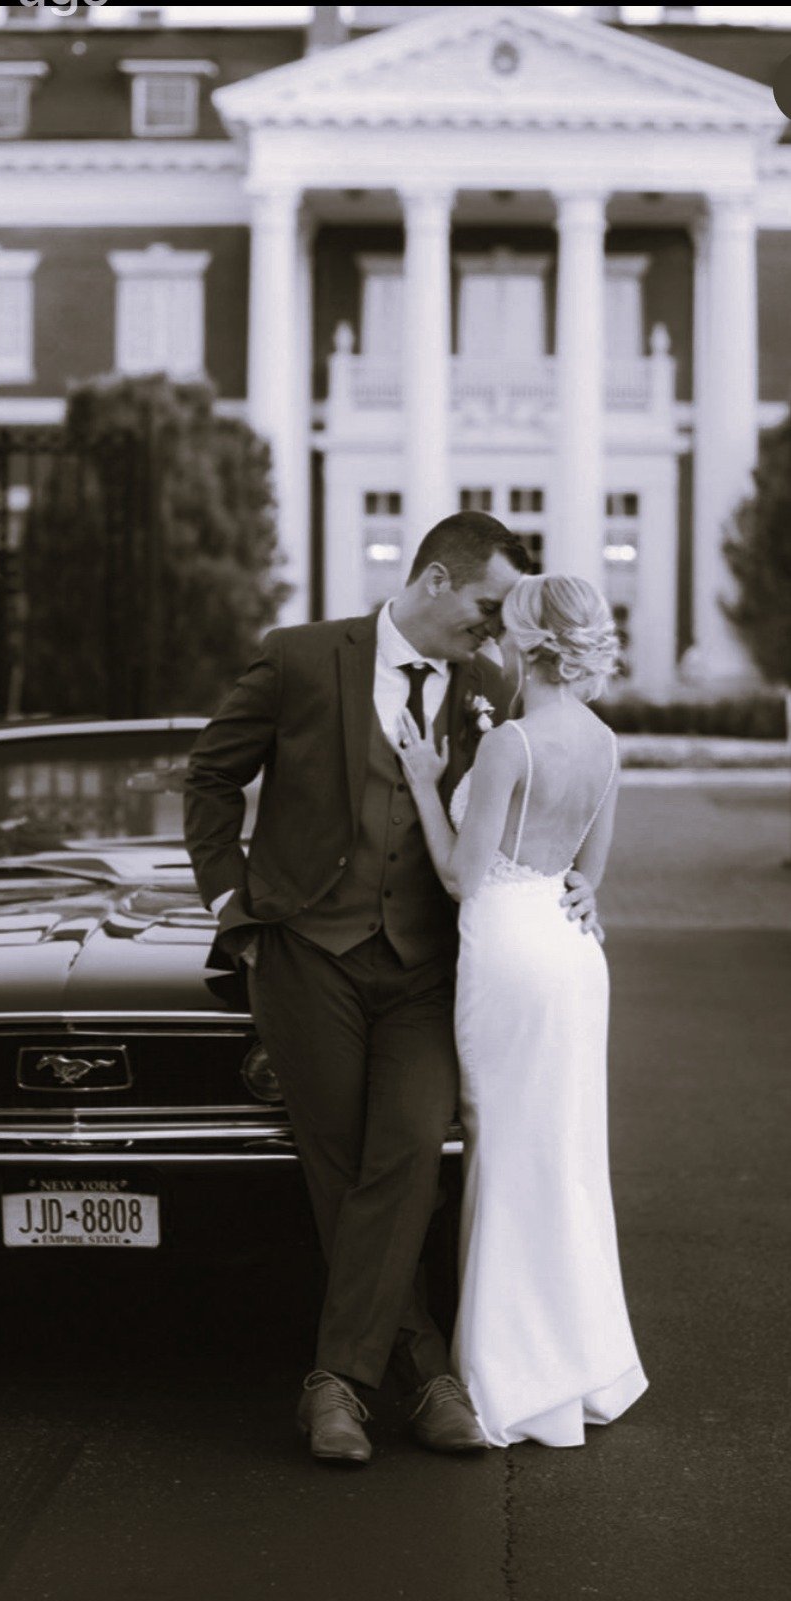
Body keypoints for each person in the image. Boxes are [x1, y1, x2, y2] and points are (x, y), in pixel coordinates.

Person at [183, 512, 601, 1464]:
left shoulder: (490, 687)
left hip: (425, 964)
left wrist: (578, 875)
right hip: (304, 953)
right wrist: (228, 903)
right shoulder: (298, 659)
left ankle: (337, 1381)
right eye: (488, 607)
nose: (496, 631)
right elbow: (210, 780)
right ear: (436, 580)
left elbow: (542, 794)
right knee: (337, 1157)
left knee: (409, 1146)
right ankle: (424, 1375)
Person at [395, 572, 648, 1447]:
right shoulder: (606, 742)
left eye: (504, 622)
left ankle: (515, 1374)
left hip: (505, 945)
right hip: (573, 953)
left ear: (526, 644)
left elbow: (463, 878)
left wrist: (428, 782)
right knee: (569, 1153)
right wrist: (578, 897)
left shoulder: (511, 744)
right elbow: (589, 874)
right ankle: (585, 1362)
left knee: (505, 1148)